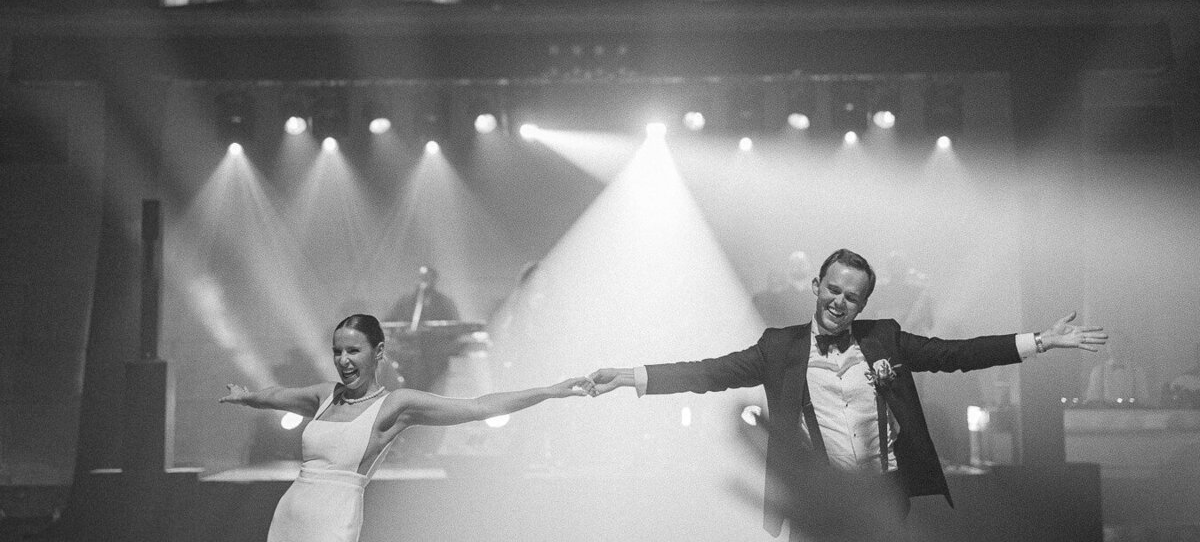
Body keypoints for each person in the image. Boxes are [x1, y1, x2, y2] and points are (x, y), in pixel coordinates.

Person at [588, 248, 1107, 541]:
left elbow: (955, 354)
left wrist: (1038, 341)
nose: (840, 302)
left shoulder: (885, 339)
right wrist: (634, 375)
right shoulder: (780, 347)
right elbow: (710, 372)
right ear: (816, 286)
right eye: (833, 290)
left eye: (852, 297)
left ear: (863, 304)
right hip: (818, 500)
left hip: (883, 497)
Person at [220, 314, 591, 542]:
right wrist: (248, 396)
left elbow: (480, 406)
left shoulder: (396, 405)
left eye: (354, 351)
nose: (343, 361)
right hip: (291, 514)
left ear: (378, 352)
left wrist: (549, 390)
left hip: (334, 518)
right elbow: (277, 395)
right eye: (338, 352)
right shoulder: (324, 395)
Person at [1083, 329, 1150, 406]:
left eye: (1120, 344)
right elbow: (1093, 399)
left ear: (1126, 347)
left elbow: (1143, 399)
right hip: (1104, 415)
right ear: (1107, 347)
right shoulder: (1098, 371)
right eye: (1113, 344)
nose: (1116, 348)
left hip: (1131, 415)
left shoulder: (1137, 371)